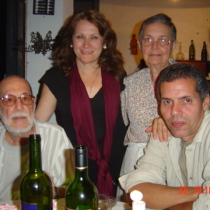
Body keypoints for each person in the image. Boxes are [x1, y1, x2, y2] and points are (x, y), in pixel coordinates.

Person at [35, 9, 127, 196]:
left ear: (105, 42)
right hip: (74, 172)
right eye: (79, 37)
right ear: (71, 42)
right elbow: (38, 128)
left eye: (94, 37)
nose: (86, 44)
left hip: (117, 170)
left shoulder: (118, 75)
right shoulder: (56, 78)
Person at [119, 63, 210, 210]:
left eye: (186, 101)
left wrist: (168, 200)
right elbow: (137, 191)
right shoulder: (163, 132)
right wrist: (199, 192)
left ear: (205, 102)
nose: (174, 112)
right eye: (168, 102)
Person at [119, 13, 177, 180]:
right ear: (139, 44)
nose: (155, 46)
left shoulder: (189, 80)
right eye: (148, 40)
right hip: (135, 165)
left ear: (174, 45)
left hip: (174, 164)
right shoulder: (129, 83)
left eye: (163, 40)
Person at [0, 75, 74, 202]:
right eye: (9, 100)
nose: (19, 106)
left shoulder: (55, 135)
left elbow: (73, 188)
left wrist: (54, 191)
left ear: (33, 104)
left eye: (25, 98)